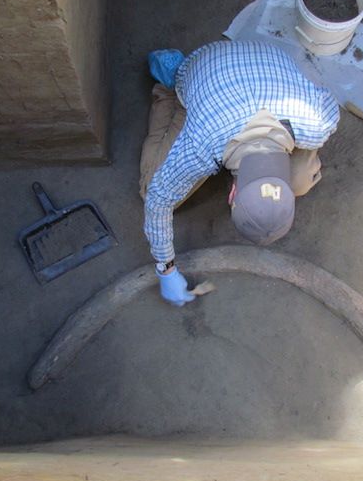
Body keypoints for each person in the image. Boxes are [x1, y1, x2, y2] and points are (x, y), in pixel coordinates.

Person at [140, 40, 340, 306]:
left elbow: (327, 100)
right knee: (150, 187)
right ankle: (169, 90)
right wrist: (165, 268)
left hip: (268, 52)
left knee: (302, 178)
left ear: (232, 193)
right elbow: (158, 198)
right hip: (204, 64)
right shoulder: (200, 144)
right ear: (231, 192)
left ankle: (288, 163)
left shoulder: (318, 121)